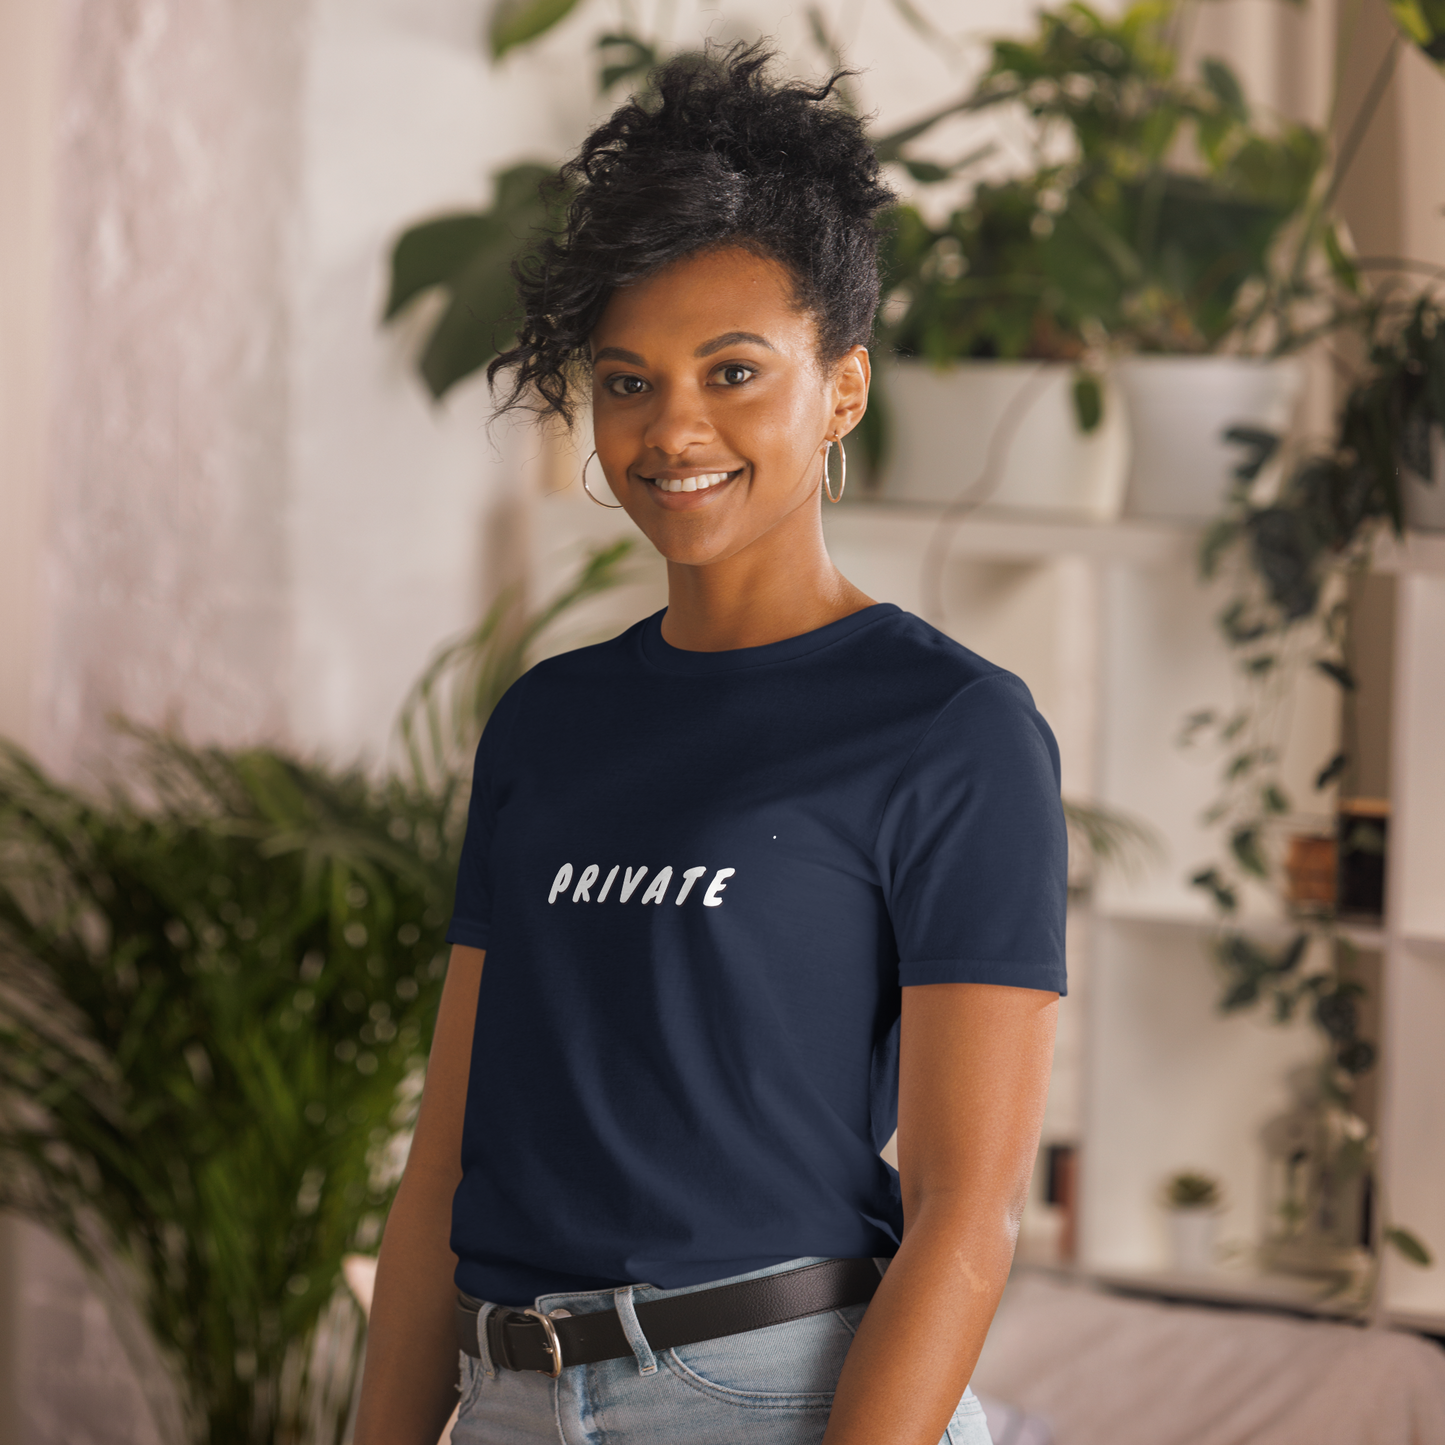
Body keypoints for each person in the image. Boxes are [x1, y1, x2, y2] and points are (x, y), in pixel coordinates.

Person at [353, 44, 1065, 1445]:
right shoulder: (548, 721)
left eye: (733, 372)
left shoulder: (950, 727)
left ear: (842, 388)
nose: (672, 429)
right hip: (508, 1398)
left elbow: (966, 1211)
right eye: (627, 382)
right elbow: (446, 1164)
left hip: (776, 1397)